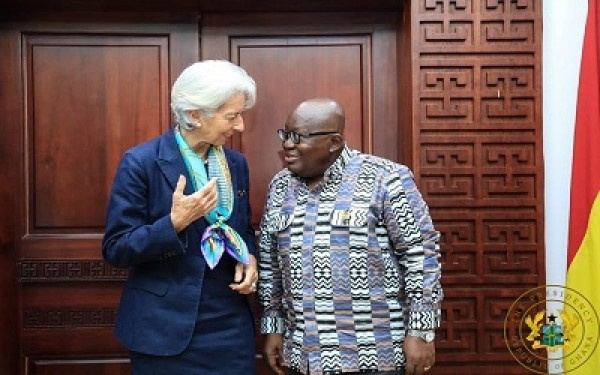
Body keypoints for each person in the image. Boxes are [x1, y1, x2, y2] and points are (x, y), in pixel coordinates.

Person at [258, 98, 443, 375]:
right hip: (301, 356)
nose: (287, 144)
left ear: (334, 142)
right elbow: (270, 264)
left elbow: (421, 256)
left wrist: (421, 331)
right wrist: (274, 327)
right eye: (286, 134)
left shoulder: (386, 178)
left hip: (374, 355)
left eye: (299, 137)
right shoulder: (280, 187)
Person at [102, 60, 259, 375]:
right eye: (232, 116)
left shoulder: (236, 164)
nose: (240, 126)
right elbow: (116, 248)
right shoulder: (141, 162)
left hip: (229, 327)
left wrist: (249, 256)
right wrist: (173, 223)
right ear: (194, 115)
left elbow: (243, 229)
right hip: (162, 329)